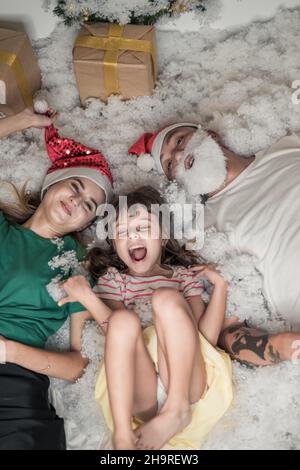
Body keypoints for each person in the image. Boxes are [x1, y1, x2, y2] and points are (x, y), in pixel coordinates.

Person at [59, 185, 235, 450]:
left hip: (185, 384)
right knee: (122, 321)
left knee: (165, 298)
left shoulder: (183, 277)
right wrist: (89, 299)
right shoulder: (114, 280)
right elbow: (117, 337)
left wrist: (220, 287)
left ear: (163, 236)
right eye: (122, 232)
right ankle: (122, 434)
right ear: (115, 244)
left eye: (143, 227)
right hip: (140, 392)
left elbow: (204, 340)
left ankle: (176, 410)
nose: (133, 237)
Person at [128, 123, 300, 364]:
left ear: (209, 134)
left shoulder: (286, 146)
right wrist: (279, 346)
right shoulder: (202, 231)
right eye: (169, 164)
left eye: (179, 140)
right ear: (176, 182)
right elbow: (229, 330)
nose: (178, 155)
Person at [0, 115, 113, 450]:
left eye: (89, 205)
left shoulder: (74, 264)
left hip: (13, 388)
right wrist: (24, 120)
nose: (77, 201)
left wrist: (7, 350)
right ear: (52, 183)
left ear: (89, 220)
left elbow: (77, 365)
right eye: (75, 187)